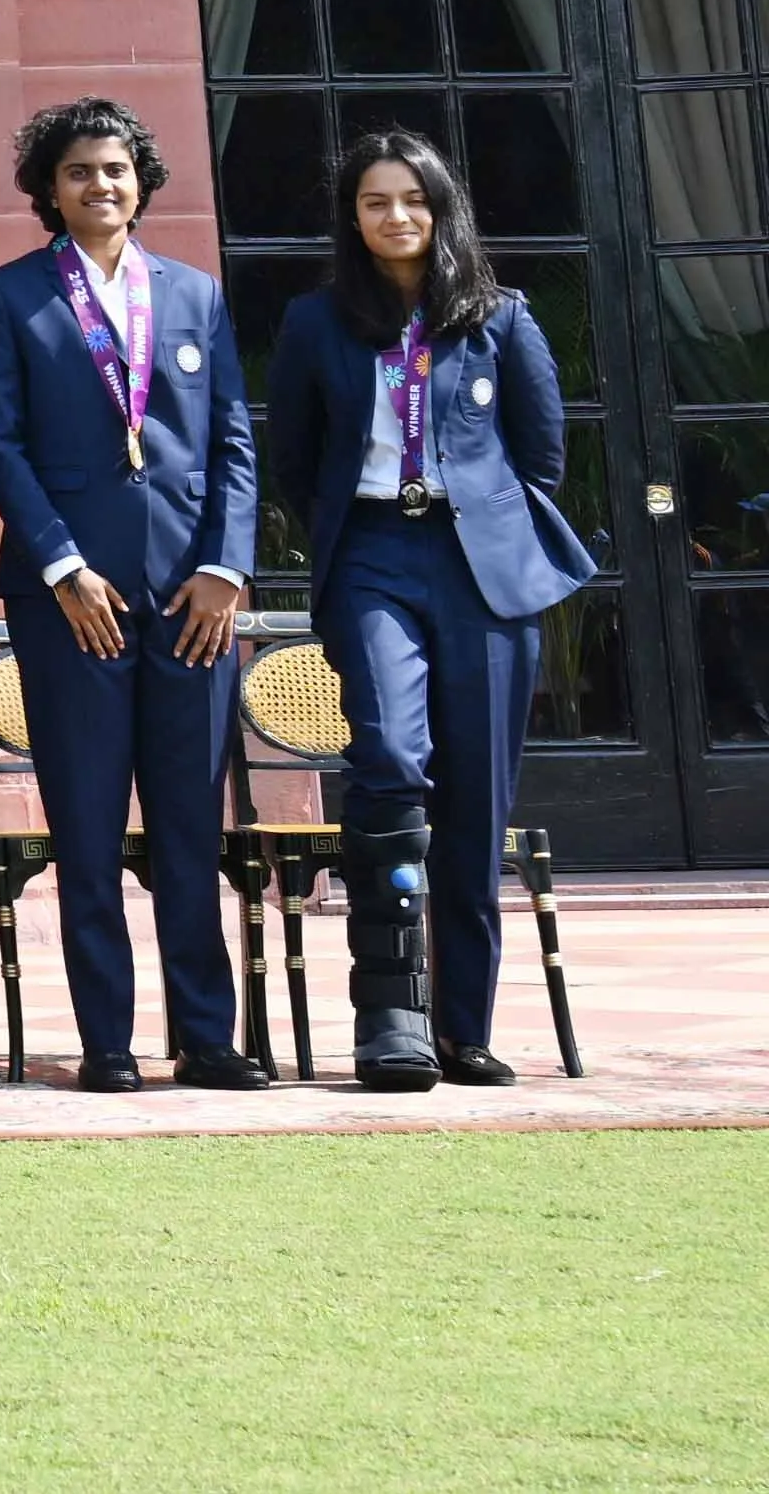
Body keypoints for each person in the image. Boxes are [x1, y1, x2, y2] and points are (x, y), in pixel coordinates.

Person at [266, 128, 588, 1090]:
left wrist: (481, 520)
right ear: (352, 219)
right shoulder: (317, 322)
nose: (396, 216)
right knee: (391, 757)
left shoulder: (500, 318)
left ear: (443, 209)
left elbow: (541, 460)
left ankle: (463, 1026)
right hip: (372, 554)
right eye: (375, 201)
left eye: (414, 199)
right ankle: (391, 1016)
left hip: (480, 569)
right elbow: (296, 459)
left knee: (476, 798)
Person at [0, 97, 263, 1095]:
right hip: (70, 604)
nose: (103, 184)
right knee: (87, 829)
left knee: (190, 829)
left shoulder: (194, 294)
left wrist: (225, 566)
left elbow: (232, 441)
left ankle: (208, 1036)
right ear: (49, 190)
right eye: (81, 171)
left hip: (192, 603)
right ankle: (107, 1040)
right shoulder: (12, 297)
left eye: (118, 169)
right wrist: (61, 565)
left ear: (143, 180)